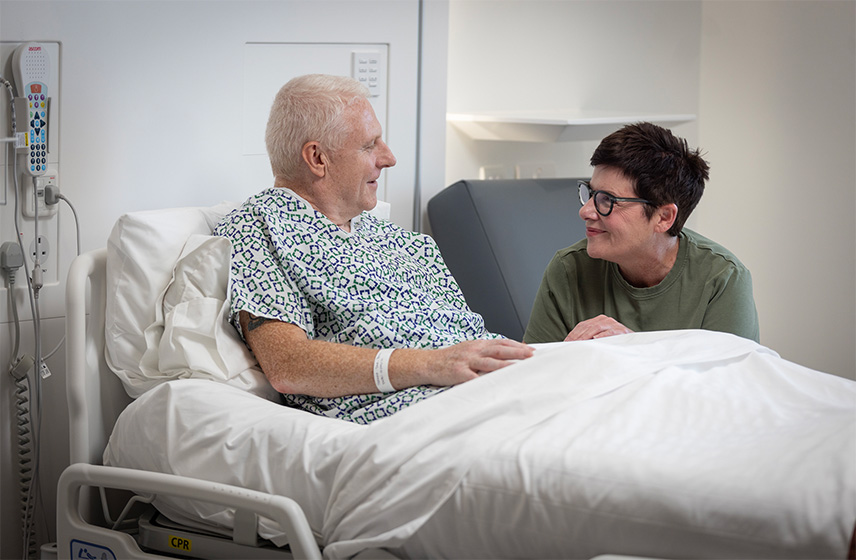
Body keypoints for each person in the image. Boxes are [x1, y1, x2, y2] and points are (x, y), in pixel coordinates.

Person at [215, 74, 533, 424]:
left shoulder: (399, 240)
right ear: (317, 158)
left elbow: (469, 338)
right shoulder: (263, 227)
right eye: (370, 145)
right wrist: (433, 363)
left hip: (500, 381)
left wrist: (553, 352)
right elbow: (289, 364)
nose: (389, 158)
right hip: (424, 404)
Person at [524, 122, 759, 344]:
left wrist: (635, 346)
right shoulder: (568, 270)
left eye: (608, 200)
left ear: (663, 217)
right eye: (591, 193)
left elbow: (728, 383)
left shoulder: (723, 279)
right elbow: (531, 374)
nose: (585, 211)